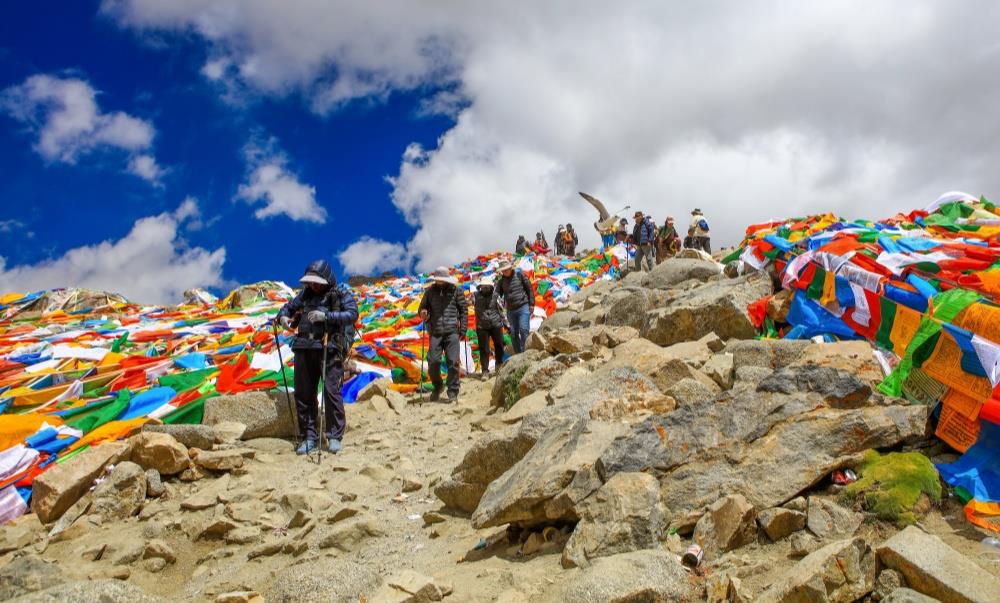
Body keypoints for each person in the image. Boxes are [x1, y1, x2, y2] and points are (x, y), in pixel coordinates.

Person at [276, 259, 359, 455]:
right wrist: (283, 318)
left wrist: (327, 317)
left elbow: (352, 314)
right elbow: (287, 308)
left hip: (328, 348)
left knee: (331, 392)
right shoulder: (304, 295)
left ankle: (334, 436)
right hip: (303, 348)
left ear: (326, 279)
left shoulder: (340, 294)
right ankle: (309, 436)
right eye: (310, 281)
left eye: (316, 281)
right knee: (304, 394)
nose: (312, 285)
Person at [419, 267, 468, 402]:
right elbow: (422, 308)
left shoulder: (456, 291)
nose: (440, 282)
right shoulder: (429, 292)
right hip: (435, 332)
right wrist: (423, 312)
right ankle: (438, 386)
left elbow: (463, 310)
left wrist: (463, 329)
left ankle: (453, 390)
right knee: (433, 361)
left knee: (453, 362)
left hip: (452, 331)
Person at [496, 259, 534, 354]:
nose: (505, 271)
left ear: (510, 268)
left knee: (524, 329)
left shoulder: (520, 275)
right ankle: (518, 354)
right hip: (510, 310)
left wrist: (532, 303)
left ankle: (526, 352)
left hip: (523, 306)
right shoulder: (501, 282)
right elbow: (496, 294)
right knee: (513, 334)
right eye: (503, 270)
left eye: (507, 269)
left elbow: (529, 288)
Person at [473, 277, 505, 378]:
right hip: (481, 326)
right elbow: (464, 305)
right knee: (484, 349)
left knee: (499, 345)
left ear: (491, 287)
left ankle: (499, 366)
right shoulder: (474, 296)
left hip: (496, 323)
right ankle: (485, 371)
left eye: (487, 286)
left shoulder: (496, 296)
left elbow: (501, 309)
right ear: (480, 287)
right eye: (484, 286)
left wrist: (506, 323)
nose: (486, 288)